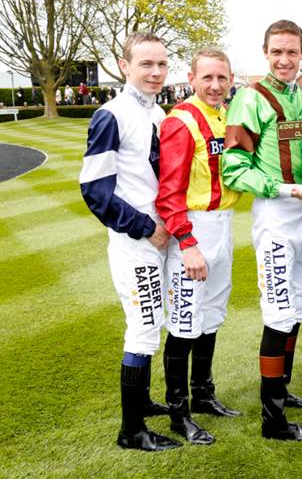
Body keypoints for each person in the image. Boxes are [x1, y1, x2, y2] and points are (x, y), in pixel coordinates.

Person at [223, 19, 302, 442]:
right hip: (275, 214)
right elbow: (233, 169)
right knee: (279, 309)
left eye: (292, 52)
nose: (285, 60)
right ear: (265, 53)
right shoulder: (250, 98)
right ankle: (274, 421)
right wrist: (289, 188)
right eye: (277, 52)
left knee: (298, 305)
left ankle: (282, 390)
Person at [79, 31, 180, 452]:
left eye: (161, 64)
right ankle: (131, 431)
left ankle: (142, 402)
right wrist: (144, 227)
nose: (156, 72)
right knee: (142, 328)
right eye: (146, 64)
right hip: (136, 239)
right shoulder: (111, 115)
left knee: (154, 321)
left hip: (158, 236)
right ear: (125, 66)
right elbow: (95, 190)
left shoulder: (157, 113)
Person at [156, 47, 243, 446]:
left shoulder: (226, 116)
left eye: (222, 77)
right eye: (207, 77)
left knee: (210, 316)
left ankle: (204, 395)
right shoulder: (181, 120)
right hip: (194, 230)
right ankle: (179, 413)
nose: (215, 85)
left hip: (223, 225)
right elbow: (169, 191)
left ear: (231, 79)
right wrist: (187, 243)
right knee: (184, 322)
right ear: (191, 79)